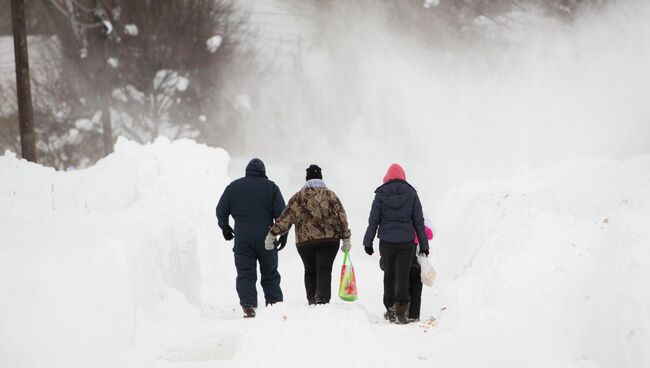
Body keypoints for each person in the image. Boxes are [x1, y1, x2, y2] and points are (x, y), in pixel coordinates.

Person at [266, 164, 352, 305]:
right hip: (329, 241)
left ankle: (312, 300)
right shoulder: (330, 195)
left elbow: (286, 218)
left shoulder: (299, 197)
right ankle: (322, 301)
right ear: (321, 178)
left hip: (305, 242)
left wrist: (272, 235)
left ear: (306, 178)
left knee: (310, 270)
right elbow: (341, 217)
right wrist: (346, 238)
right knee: (324, 270)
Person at [216, 158, 287, 318]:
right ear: (263, 172)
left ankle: (248, 305)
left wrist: (225, 227)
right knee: (270, 271)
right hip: (266, 236)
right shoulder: (271, 187)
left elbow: (221, 210)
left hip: (243, 237)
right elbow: (282, 214)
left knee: (245, 272)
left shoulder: (234, 187)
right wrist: (283, 233)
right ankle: (274, 303)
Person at [363, 163, 429, 325]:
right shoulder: (411, 193)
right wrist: (424, 245)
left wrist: (368, 242)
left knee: (389, 274)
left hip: (387, 242)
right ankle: (401, 309)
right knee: (403, 275)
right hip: (407, 242)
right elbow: (419, 222)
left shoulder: (380, 194)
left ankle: (390, 308)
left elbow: (374, 221)